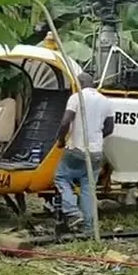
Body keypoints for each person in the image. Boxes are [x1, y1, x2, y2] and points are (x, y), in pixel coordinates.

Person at [53, 72, 114, 234]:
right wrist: (96, 138)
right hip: (96, 152)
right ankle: (88, 227)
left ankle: (73, 212)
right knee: (88, 187)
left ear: (79, 84)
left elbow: (66, 121)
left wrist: (61, 140)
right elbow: (109, 128)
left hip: (77, 149)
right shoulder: (105, 101)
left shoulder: (76, 97)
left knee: (61, 177)